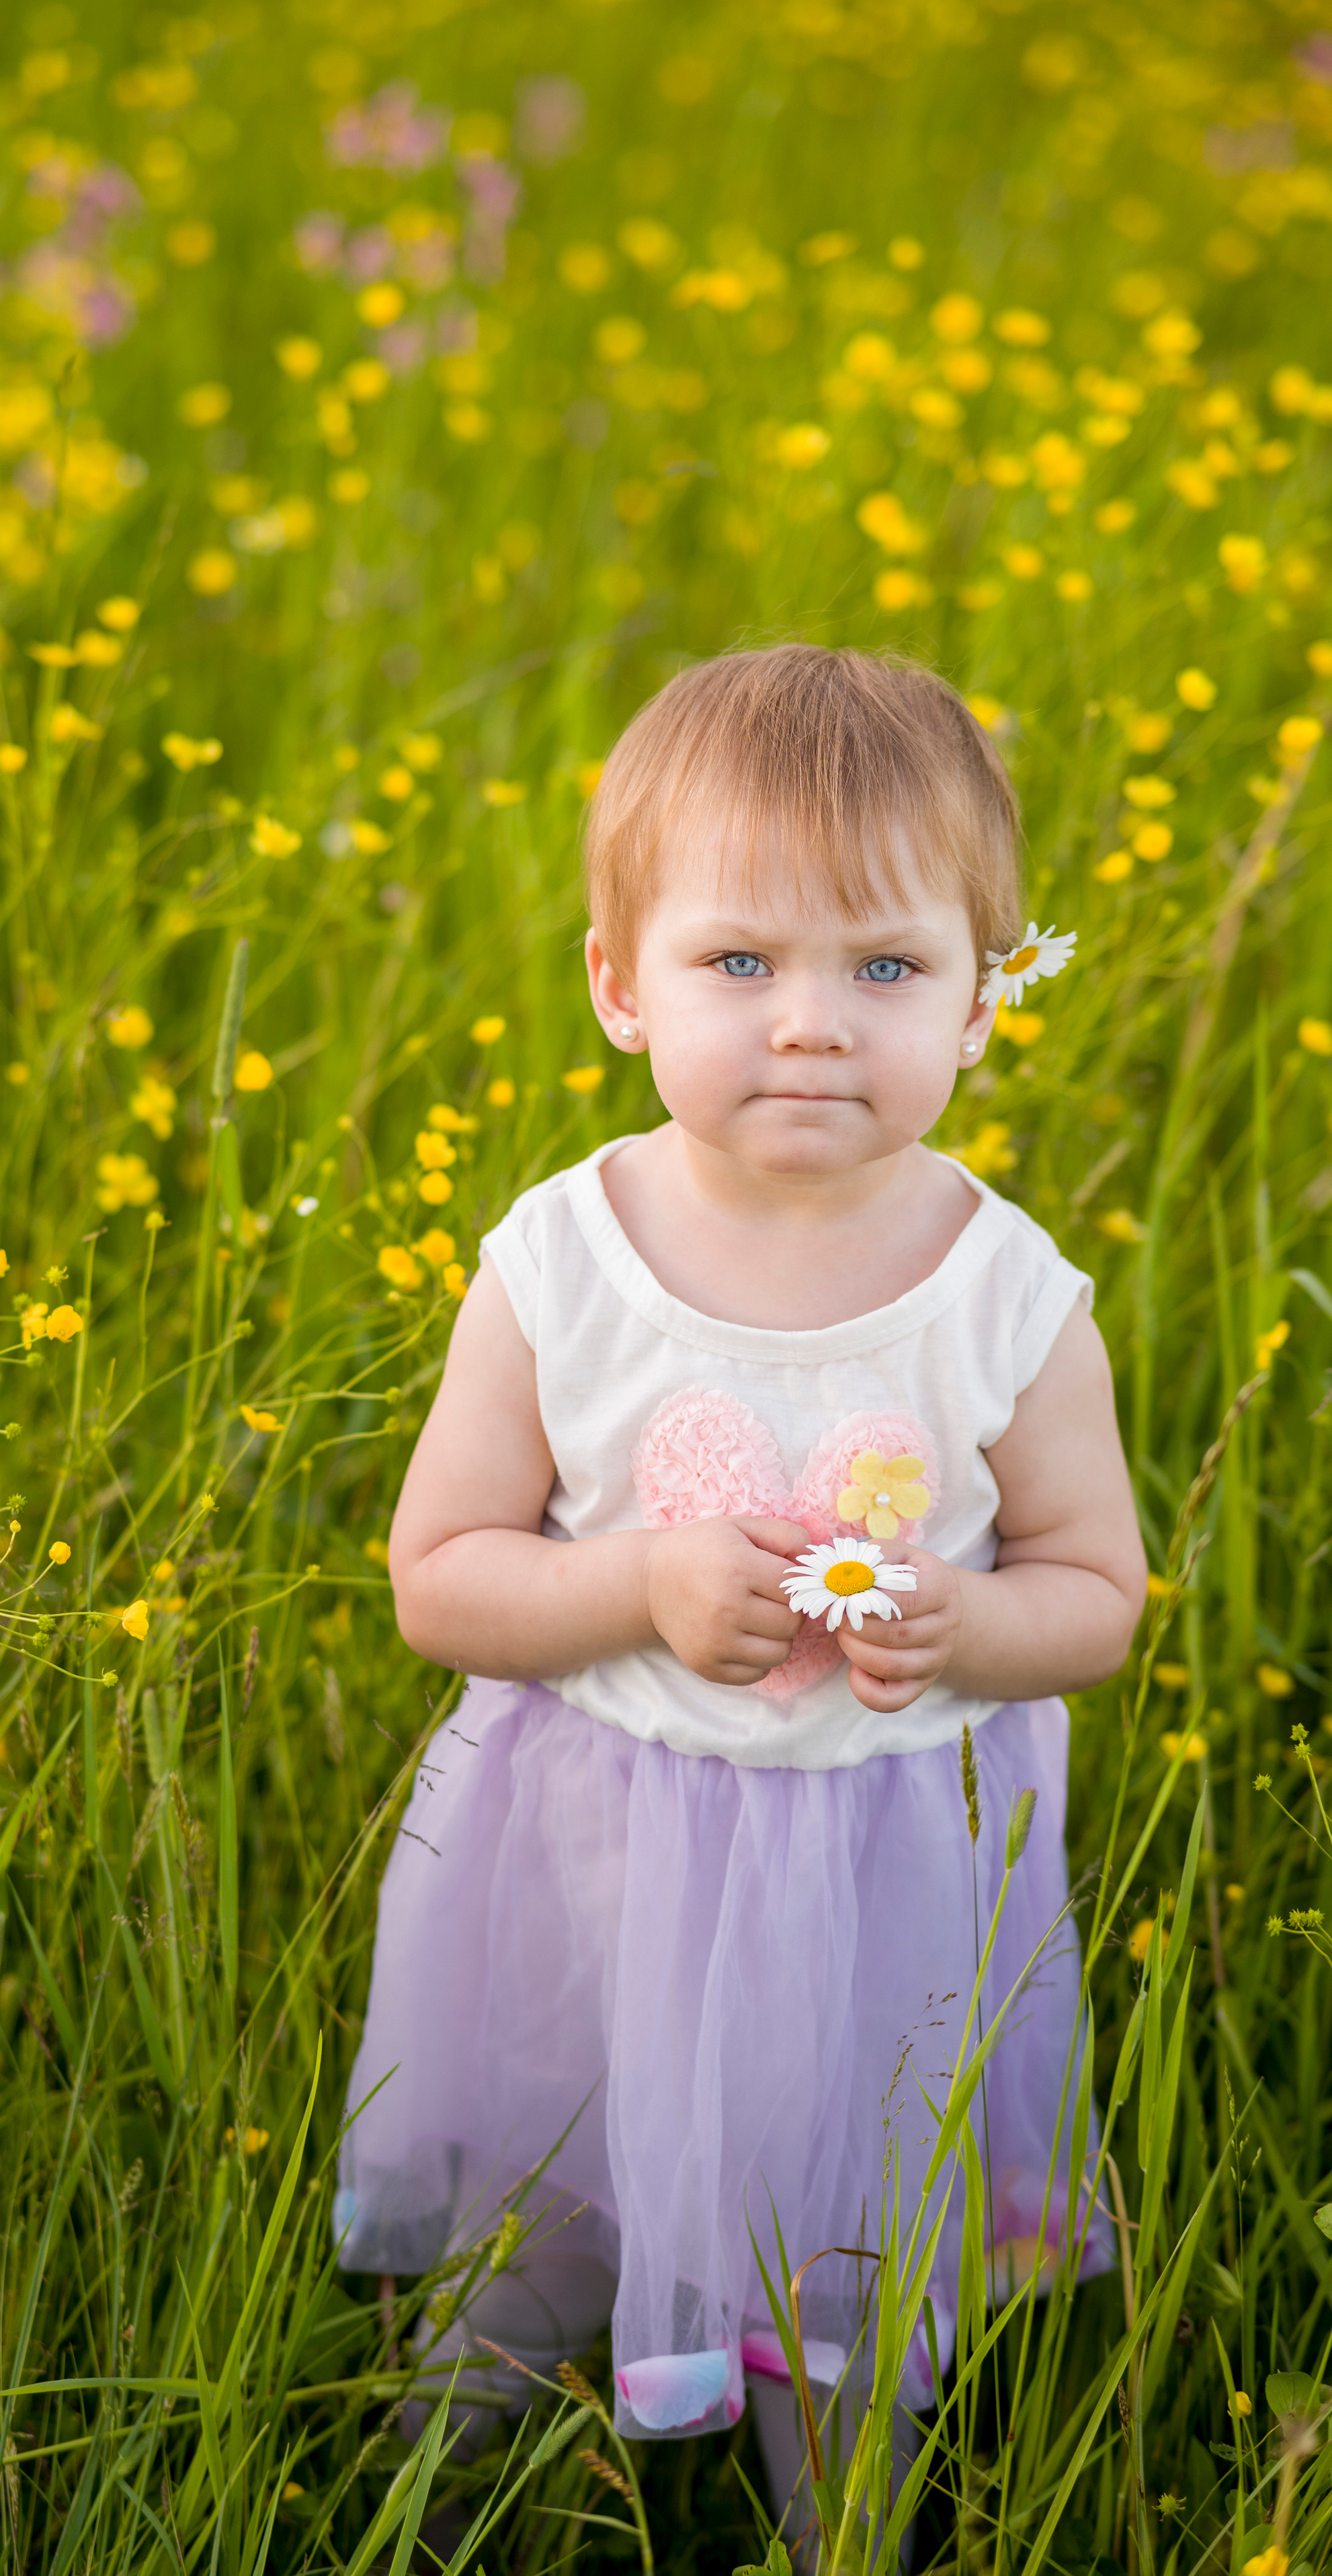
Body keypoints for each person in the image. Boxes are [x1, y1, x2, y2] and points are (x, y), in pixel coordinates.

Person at [334, 644, 1143, 2534]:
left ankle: (838, 2525)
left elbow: (1097, 1590)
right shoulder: (562, 1264)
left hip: (878, 1889)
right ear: (620, 986)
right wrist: (638, 1586)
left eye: (887, 969)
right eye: (739, 961)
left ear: (982, 1002)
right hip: (596, 1867)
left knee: (843, 2258)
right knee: (548, 2208)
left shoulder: (1007, 1297)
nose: (811, 1026)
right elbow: (440, 1577)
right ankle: (430, 2496)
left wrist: (972, 1625)